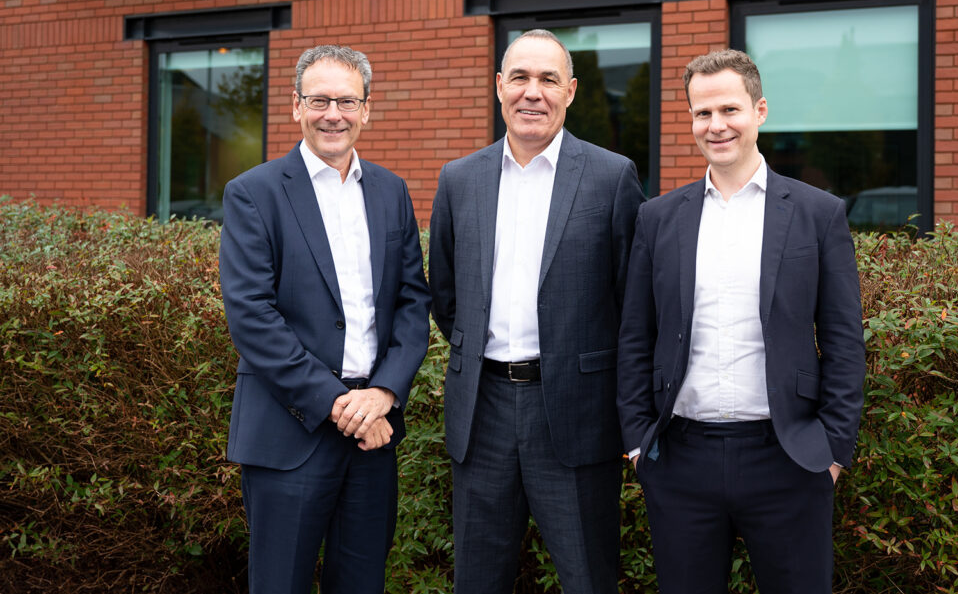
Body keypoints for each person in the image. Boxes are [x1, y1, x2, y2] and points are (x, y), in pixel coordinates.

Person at [617, 48, 865, 594]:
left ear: (760, 110)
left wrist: (831, 450)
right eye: (702, 113)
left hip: (789, 459)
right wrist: (639, 444)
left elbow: (846, 343)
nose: (716, 125)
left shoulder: (817, 214)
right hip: (680, 459)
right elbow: (636, 336)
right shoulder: (658, 218)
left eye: (729, 109)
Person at [429, 29, 645, 594]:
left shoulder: (611, 176)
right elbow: (447, 297)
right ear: (499, 86)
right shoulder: (459, 179)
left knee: (588, 578)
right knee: (477, 579)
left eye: (548, 79)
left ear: (570, 91)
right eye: (520, 77)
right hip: (483, 411)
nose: (533, 92)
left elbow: (633, 304)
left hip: (576, 412)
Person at [219, 45, 430, 594]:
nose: (333, 113)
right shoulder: (253, 193)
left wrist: (384, 392)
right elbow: (252, 316)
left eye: (346, 100)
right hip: (290, 432)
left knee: (362, 582)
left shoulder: (391, 191)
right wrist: (338, 404)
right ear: (295, 106)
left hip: (372, 433)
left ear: (367, 109)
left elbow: (412, 302)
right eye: (319, 100)